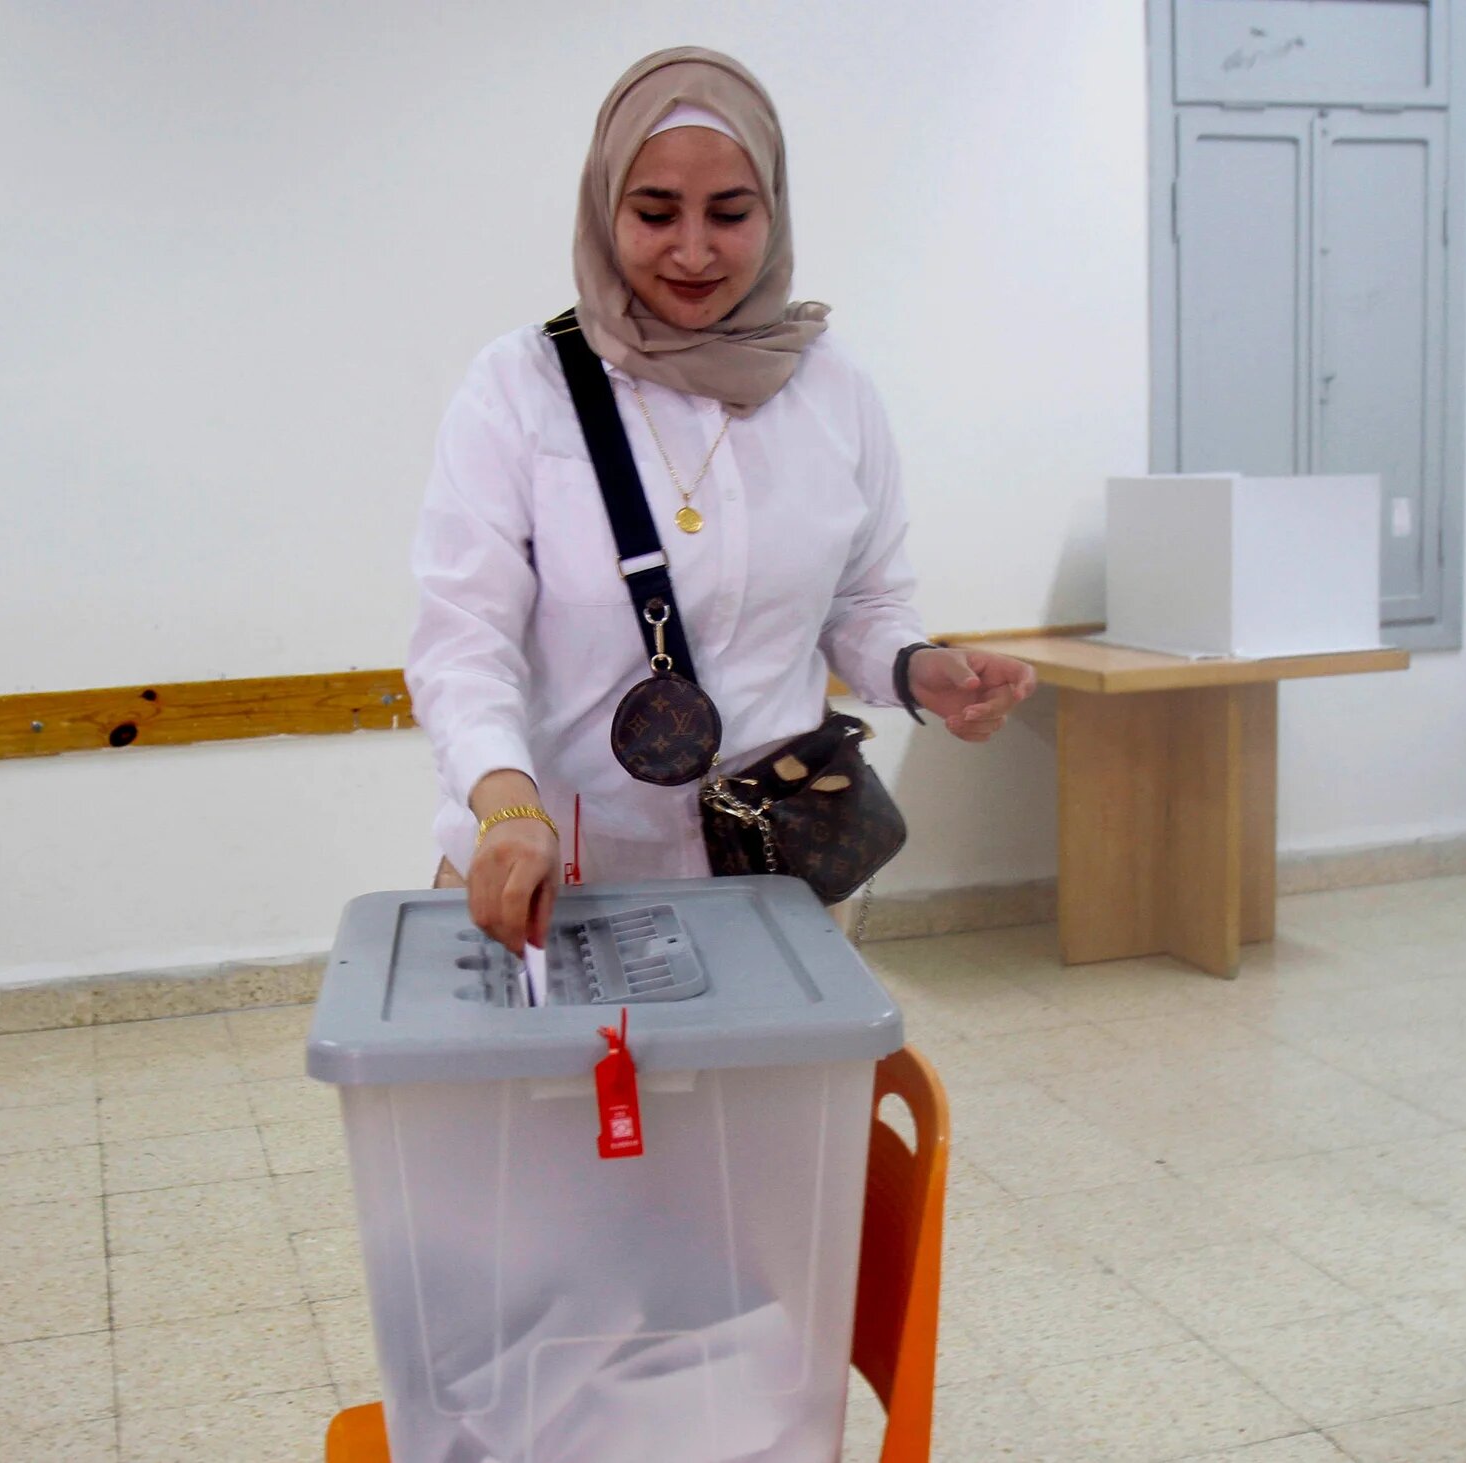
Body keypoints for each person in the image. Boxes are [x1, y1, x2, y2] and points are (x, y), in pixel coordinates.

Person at [407, 46, 1036, 954]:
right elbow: (463, 639)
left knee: (772, 1100)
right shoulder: (521, 388)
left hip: (772, 875)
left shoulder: (832, 388)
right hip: (552, 864)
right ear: (604, 206)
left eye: (730, 213)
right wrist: (504, 800)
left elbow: (863, 603)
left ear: (773, 210)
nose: (693, 251)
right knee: (550, 1100)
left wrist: (915, 667)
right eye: (655, 211)